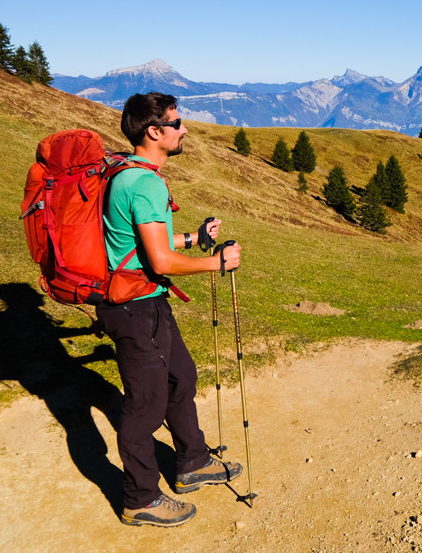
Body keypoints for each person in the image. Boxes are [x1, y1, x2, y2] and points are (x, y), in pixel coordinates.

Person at [97, 92, 243, 527]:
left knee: (182, 375)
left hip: (146, 300)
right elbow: (159, 262)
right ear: (154, 132)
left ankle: (192, 462)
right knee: (143, 406)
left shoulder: (129, 173)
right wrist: (215, 262)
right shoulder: (144, 182)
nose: (184, 130)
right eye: (177, 124)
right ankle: (140, 498)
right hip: (134, 307)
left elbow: (144, 246)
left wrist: (193, 239)